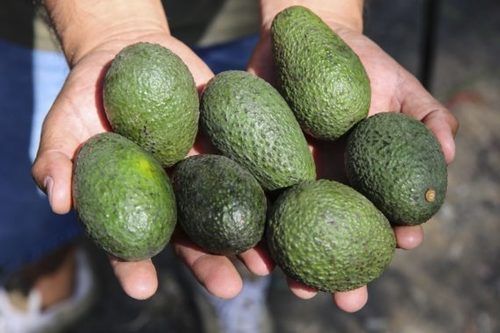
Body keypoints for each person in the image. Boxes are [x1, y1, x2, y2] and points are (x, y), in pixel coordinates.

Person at [1, 0, 458, 331]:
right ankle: (51, 276)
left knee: (246, 234)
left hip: (243, 24)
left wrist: (327, 13)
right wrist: (106, 28)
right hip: (64, 21)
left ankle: (248, 280)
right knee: (32, 208)